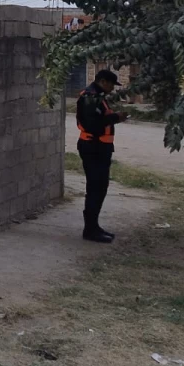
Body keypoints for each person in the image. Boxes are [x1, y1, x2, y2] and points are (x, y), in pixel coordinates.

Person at [76, 69, 128, 243]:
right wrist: (116, 118)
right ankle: (90, 230)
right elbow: (92, 124)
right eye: (112, 84)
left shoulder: (97, 96)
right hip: (93, 147)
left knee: (100, 187)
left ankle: (94, 226)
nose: (112, 88)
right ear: (103, 81)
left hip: (100, 147)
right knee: (95, 188)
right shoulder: (90, 97)